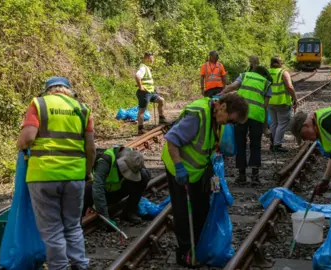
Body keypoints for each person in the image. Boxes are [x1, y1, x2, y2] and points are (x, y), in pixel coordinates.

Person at [17, 76, 95, 270]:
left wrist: (19, 145)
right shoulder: (83, 109)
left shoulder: (39, 104)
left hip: (44, 175)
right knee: (73, 225)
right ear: (69, 90)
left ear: (47, 90)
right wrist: (87, 172)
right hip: (74, 176)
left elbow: (27, 139)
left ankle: (59, 266)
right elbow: (91, 149)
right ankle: (80, 264)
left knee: (52, 229)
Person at [161, 94, 249, 267]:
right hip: (179, 168)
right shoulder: (198, 114)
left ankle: (200, 247)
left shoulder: (218, 117)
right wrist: (179, 167)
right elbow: (172, 140)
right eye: (231, 121)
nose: (230, 125)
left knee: (202, 207)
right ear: (222, 107)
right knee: (183, 212)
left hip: (199, 169)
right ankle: (185, 253)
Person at [222, 66, 272, 183]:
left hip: (241, 115)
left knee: (240, 144)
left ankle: (242, 176)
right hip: (257, 117)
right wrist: (265, 128)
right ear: (264, 75)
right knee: (255, 145)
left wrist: (222, 93)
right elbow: (265, 107)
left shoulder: (244, 75)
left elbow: (233, 86)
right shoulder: (267, 83)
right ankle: (255, 176)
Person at [83, 147, 151, 225]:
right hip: (99, 193)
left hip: (116, 191)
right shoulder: (106, 160)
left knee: (144, 176)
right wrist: (106, 218)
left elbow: (144, 176)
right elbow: (98, 189)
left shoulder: (134, 158)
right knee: (88, 189)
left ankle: (129, 212)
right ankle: (80, 215)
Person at [268, 56, 297, 152]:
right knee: (282, 123)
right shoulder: (283, 72)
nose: (282, 63)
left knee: (274, 123)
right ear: (279, 63)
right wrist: (295, 98)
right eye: (281, 62)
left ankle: (272, 143)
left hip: (270, 102)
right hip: (282, 102)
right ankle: (277, 144)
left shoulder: (267, 72)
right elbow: (289, 86)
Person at [135, 52, 167, 135]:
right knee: (142, 110)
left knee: (161, 100)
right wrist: (140, 87)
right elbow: (137, 76)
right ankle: (140, 129)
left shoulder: (147, 67)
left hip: (150, 92)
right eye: (152, 58)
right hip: (144, 93)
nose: (153, 60)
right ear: (147, 58)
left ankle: (161, 119)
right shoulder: (143, 67)